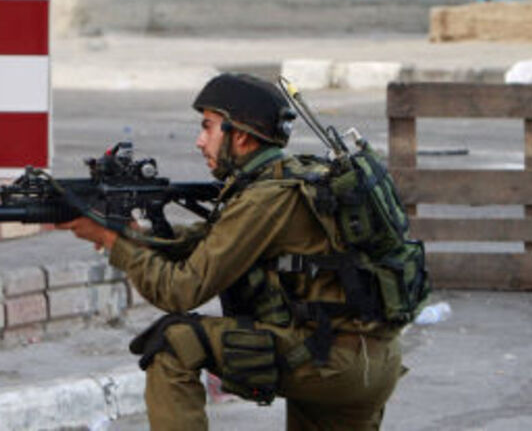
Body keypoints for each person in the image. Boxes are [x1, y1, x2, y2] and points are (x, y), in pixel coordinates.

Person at [57, 73, 405, 430]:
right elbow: (211, 241)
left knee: (175, 343)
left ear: (240, 135)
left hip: (332, 361)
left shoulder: (265, 199)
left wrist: (114, 242)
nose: (199, 141)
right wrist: (135, 235)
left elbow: (180, 291)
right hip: (367, 358)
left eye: (208, 127)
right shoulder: (290, 180)